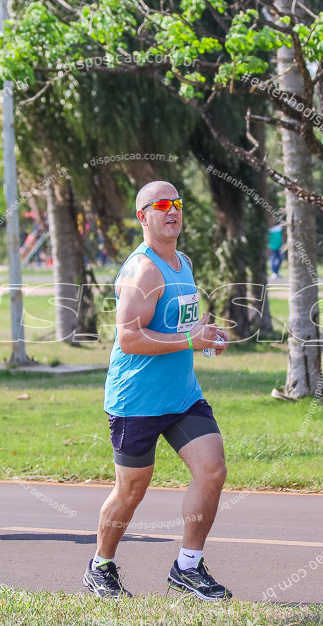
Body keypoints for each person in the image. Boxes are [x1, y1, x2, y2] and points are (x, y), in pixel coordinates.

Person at [83, 180, 231, 601]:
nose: (172, 211)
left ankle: (187, 567)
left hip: (182, 396)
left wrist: (203, 333)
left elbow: (179, 324)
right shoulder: (142, 270)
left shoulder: (182, 262)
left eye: (177, 204)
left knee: (212, 470)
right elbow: (129, 338)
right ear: (142, 216)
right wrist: (190, 341)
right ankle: (101, 567)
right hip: (137, 400)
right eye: (161, 205)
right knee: (131, 490)